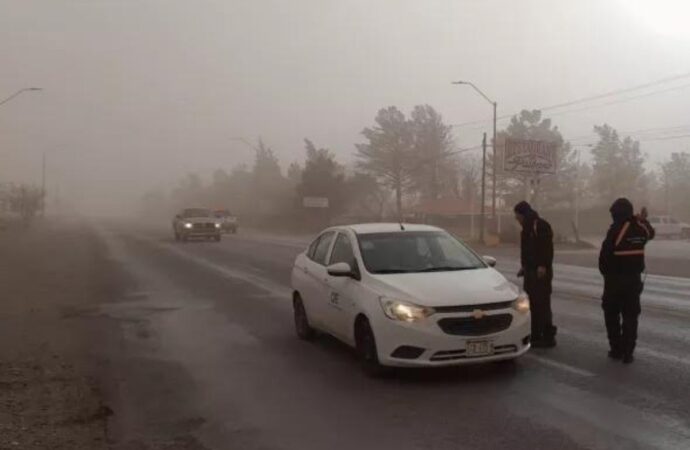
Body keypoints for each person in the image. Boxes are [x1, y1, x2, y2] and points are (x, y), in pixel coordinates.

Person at [599, 198, 654, 364]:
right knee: (631, 317)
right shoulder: (640, 228)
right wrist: (642, 220)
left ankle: (616, 349)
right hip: (633, 281)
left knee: (612, 315)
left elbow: (605, 257)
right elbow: (650, 233)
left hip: (614, 281)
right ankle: (628, 353)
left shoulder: (616, 229)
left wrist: (606, 275)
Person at [514, 201, 557, 348]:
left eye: (517, 216)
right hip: (530, 271)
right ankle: (536, 334)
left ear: (523, 214)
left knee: (542, 304)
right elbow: (528, 251)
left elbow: (546, 248)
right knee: (532, 304)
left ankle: (548, 336)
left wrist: (542, 265)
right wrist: (524, 267)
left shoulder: (539, 225)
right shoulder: (526, 229)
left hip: (540, 272)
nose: (516, 219)